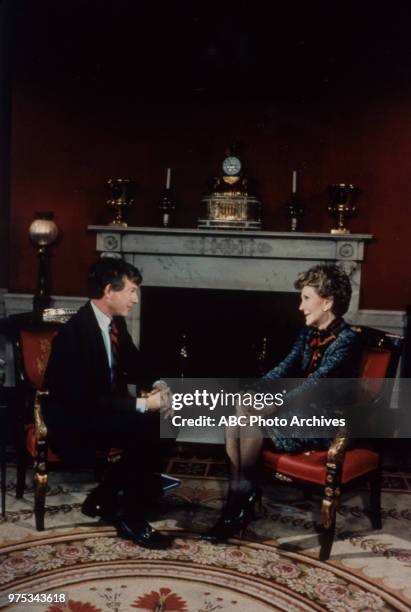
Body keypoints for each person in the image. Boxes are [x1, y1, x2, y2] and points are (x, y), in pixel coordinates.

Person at [202, 263, 362, 542]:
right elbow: (284, 367)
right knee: (240, 409)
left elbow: (315, 386)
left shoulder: (347, 340)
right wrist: (256, 389)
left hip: (323, 423)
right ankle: (239, 498)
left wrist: (273, 404)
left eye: (306, 299)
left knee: (249, 417)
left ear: (327, 302)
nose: (300, 306)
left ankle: (239, 502)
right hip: (298, 410)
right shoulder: (309, 333)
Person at [43, 257, 173, 549]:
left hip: (103, 412)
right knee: (147, 426)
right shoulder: (74, 334)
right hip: (73, 423)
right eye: (131, 291)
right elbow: (83, 398)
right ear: (108, 290)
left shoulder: (115, 325)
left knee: (168, 417)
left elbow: (137, 363)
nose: (136, 299)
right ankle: (130, 516)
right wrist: (142, 405)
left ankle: (107, 494)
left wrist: (159, 386)